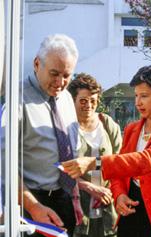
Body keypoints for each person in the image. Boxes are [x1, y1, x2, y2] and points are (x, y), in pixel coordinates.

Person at [63, 65, 151, 237]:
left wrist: (95, 162)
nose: (138, 102)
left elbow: (149, 160)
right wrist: (119, 194)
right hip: (131, 211)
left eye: (144, 96)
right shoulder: (132, 129)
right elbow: (120, 170)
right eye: (136, 95)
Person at [19, 34, 79, 236]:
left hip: (64, 200)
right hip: (30, 204)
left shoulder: (67, 98)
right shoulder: (15, 99)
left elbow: (71, 152)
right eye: (54, 73)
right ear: (37, 64)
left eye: (67, 75)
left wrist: (75, 198)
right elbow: (3, 166)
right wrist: (33, 206)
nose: (60, 82)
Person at [67, 73, 120, 237]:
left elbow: (121, 162)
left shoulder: (107, 123)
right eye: (83, 100)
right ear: (73, 100)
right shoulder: (66, 128)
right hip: (77, 206)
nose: (88, 105)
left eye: (93, 100)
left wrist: (110, 191)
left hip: (107, 205)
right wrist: (88, 187)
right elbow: (58, 168)